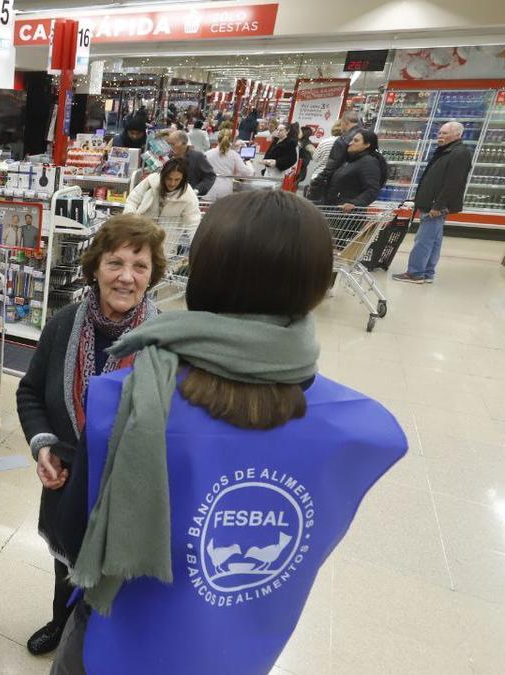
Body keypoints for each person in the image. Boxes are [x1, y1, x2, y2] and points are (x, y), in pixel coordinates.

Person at [49, 189, 407, 675]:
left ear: (201, 275)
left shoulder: (121, 401)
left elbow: (73, 540)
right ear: (318, 287)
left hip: (118, 648)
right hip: (241, 655)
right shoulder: (366, 431)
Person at [16, 214, 165, 656]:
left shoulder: (165, 341)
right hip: (69, 479)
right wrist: (44, 444)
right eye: (115, 263)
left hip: (129, 492)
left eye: (140, 266)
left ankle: (103, 644)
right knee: (64, 563)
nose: (126, 277)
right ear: (95, 267)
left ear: (153, 274)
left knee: (119, 577)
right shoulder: (63, 324)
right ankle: (62, 625)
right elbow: (29, 392)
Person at [394, 121, 473, 284]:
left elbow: (454, 182)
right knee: (434, 241)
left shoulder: (459, 153)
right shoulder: (447, 151)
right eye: (440, 133)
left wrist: (438, 204)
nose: (440, 136)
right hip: (432, 203)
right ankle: (427, 273)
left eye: (445, 133)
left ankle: (415, 273)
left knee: (423, 240)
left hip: (435, 205)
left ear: (458, 135)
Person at [125, 158, 202, 233]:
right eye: (169, 178)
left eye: (177, 179)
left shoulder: (188, 195)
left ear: (183, 179)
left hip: (168, 240)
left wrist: (197, 244)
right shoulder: (151, 181)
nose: (172, 183)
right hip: (142, 233)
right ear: (163, 176)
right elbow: (133, 200)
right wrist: (130, 221)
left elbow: (193, 223)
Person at [323, 129, 388, 212]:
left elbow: (372, 189)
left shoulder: (368, 162)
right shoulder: (351, 161)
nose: (350, 143)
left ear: (367, 144)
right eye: (351, 140)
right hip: (336, 210)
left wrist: (354, 203)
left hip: (348, 215)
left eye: (356, 141)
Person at [308, 110, 363, 201]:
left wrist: (317, 181)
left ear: (345, 122)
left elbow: (332, 165)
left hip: (338, 185)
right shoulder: (368, 137)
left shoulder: (342, 140)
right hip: (359, 186)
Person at [203, 129, 253, 200]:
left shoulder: (207, 154)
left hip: (209, 190)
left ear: (218, 139)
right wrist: (249, 163)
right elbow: (246, 173)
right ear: (231, 140)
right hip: (225, 191)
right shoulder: (233, 155)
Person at [167, 131, 217, 196]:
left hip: (188, 197)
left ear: (184, 144)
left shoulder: (197, 156)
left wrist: (197, 190)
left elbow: (210, 176)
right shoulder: (167, 157)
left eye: (173, 144)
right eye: (169, 144)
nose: (170, 147)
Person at [301, 122, 342, 193]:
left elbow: (315, 158)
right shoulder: (346, 142)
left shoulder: (324, 141)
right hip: (336, 178)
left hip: (318, 175)